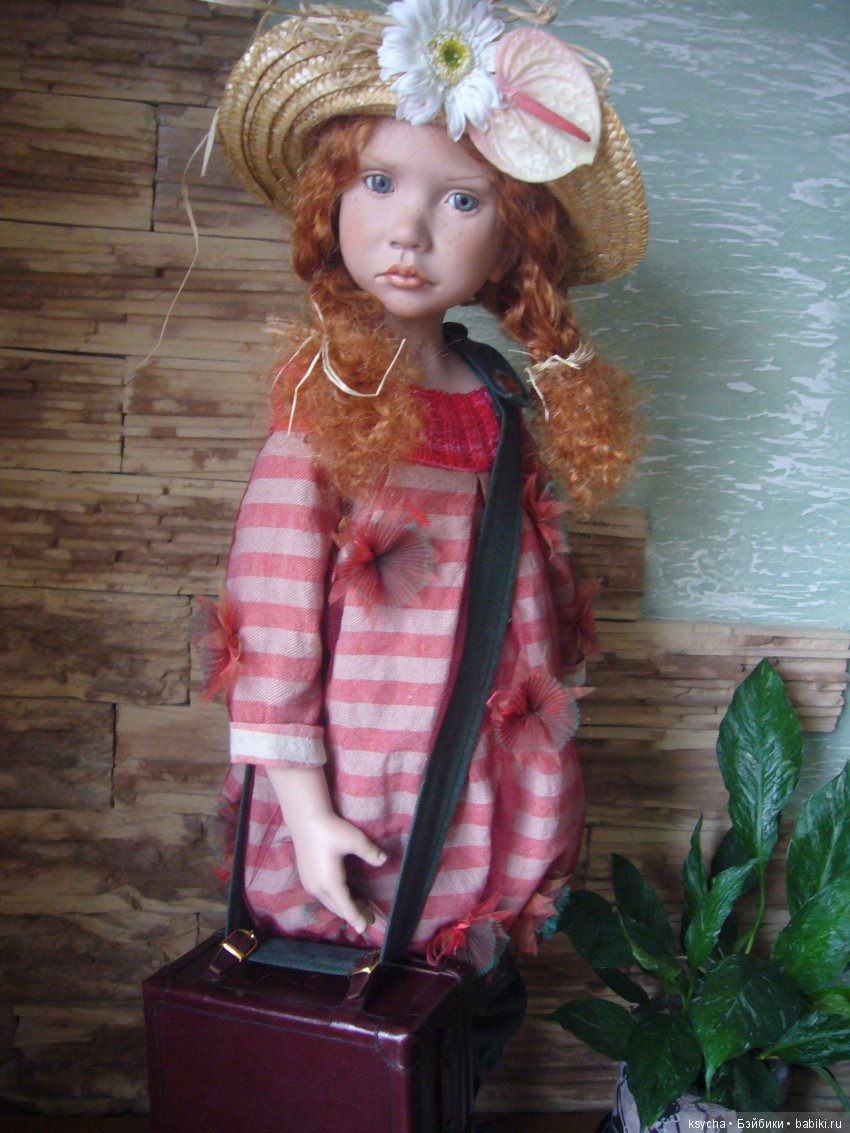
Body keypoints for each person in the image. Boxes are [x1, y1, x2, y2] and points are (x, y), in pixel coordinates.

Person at [207, 0, 647, 1086]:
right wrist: (305, 812)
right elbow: (271, 612)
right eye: (378, 182)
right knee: (353, 1050)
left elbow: (527, 595)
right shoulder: (328, 395)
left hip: (483, 792)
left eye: (460, 199)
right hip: (364, 803)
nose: (408, 231)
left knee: (458, 1038)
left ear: (512, 239)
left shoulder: (498, 395)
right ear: (331, 198)